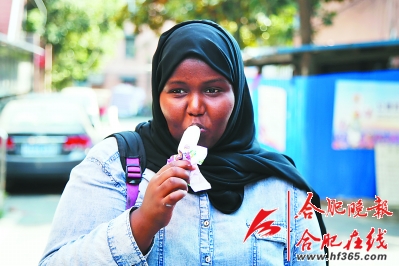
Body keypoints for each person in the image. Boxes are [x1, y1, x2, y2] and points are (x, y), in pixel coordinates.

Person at [40, 20, 327, 265]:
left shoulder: (280, 186)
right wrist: (141, 224)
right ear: (158, 94)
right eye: (177, 91)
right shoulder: (113, 165)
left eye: (213, 90)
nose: (195, 107)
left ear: (238, 94)